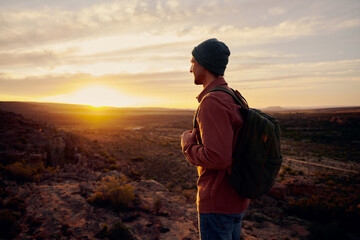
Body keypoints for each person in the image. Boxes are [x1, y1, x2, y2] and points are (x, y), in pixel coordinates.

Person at [181, 38, 250, 240]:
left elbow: (218, 157)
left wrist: (187, 146)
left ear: (204, 64)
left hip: (217, 203)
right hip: (235, 200)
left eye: (193, 62)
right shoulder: (233, 96)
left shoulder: (212, 101)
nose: (190, 68)